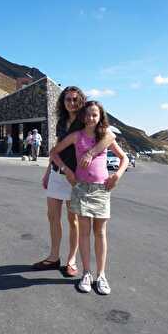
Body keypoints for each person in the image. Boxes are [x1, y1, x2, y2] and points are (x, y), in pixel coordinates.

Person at [33, 86, 115, 277]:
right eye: (67, 99)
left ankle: (71, 260)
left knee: (74, 220)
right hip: (58, 172)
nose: (71, 103)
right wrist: (48, 172)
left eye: (75, 99)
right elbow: (56, 149)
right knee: (52, 216)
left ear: (81, 100)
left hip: (76, 179)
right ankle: (54, 257)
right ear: (63, 102)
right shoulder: (61, 122)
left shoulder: (86, 118)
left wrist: (91, 153)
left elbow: (109, 135)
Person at [50, 101, 128, 294]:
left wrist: (117, 175)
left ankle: (101, 275)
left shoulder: (107, 137)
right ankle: (86, 273)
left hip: (101, 189)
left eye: (95, 115)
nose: (91, 118)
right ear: (82, 117)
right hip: (81, 188)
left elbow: (124, 158)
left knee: (100, 232)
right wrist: (66, 170)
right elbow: (54, 152)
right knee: (84, 232)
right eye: (87, 115)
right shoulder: (76, 136)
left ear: (101, 117)